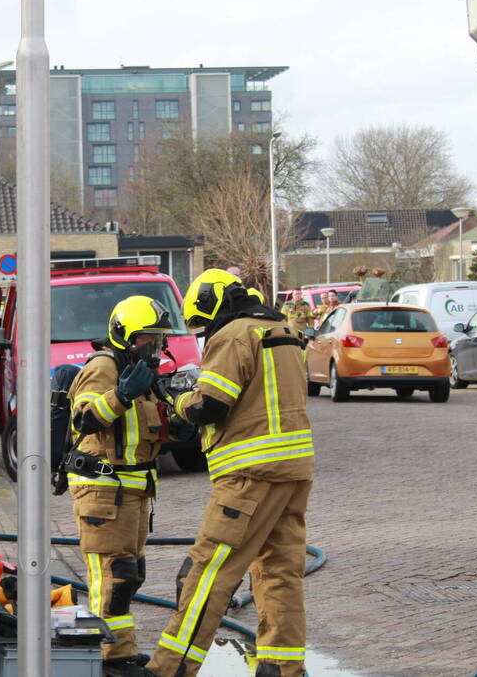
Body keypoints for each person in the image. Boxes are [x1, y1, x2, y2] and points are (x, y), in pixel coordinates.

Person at [146, 268, 315, 677]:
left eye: (202, 323)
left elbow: (211, 406)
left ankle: (170, 668)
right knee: (279, 571)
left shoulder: (234, 335)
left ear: (213, 304)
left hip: (249, 475)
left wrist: (179, 399)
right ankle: (281, 667)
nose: (204, 333)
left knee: (208, 571)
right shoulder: (285, 331)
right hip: (293, 472)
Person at [65, 295, 176, 677]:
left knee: (130, 575)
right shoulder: (104, 367)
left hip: (134, 492)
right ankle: (107, 659)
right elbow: (85, 418)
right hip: (103, 492)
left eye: (160, 340)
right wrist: (122, 395)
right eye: (149, 338)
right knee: (112, 576)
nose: (156, 347)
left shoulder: (139, 373)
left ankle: (120, 652)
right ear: (126, 336)